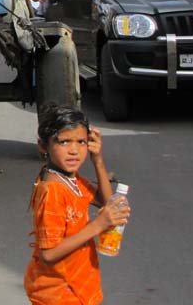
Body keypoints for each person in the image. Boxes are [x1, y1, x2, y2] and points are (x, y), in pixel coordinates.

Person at [24, 108, 130, 305]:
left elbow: (105, 201)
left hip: (76, 285)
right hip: (59, 292)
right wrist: (98, 225)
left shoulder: (70, 179)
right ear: (43, 146)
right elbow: (49, 253)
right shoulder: (53, 191)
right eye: (64, 142)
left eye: (81, 142)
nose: (74, 150)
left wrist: (97, 160)